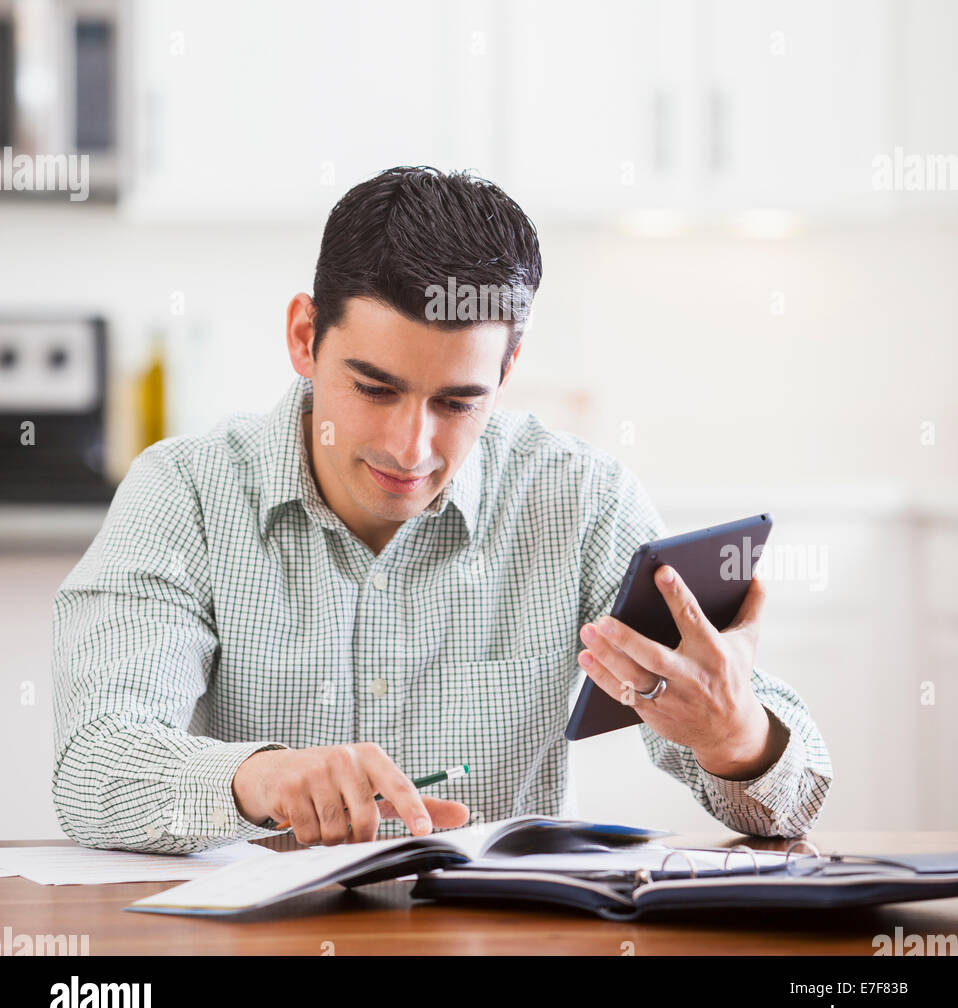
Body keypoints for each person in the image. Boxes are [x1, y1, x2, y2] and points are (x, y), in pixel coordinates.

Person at [51, 165, 832, 853]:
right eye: (374, 387)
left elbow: (793, 802)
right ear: (303, 336)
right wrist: (264, 778)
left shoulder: (578, 501)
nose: (410, 447)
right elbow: (94, 766)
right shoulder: (184, 492)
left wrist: (736, 738)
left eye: (458, 401)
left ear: (508, 368)